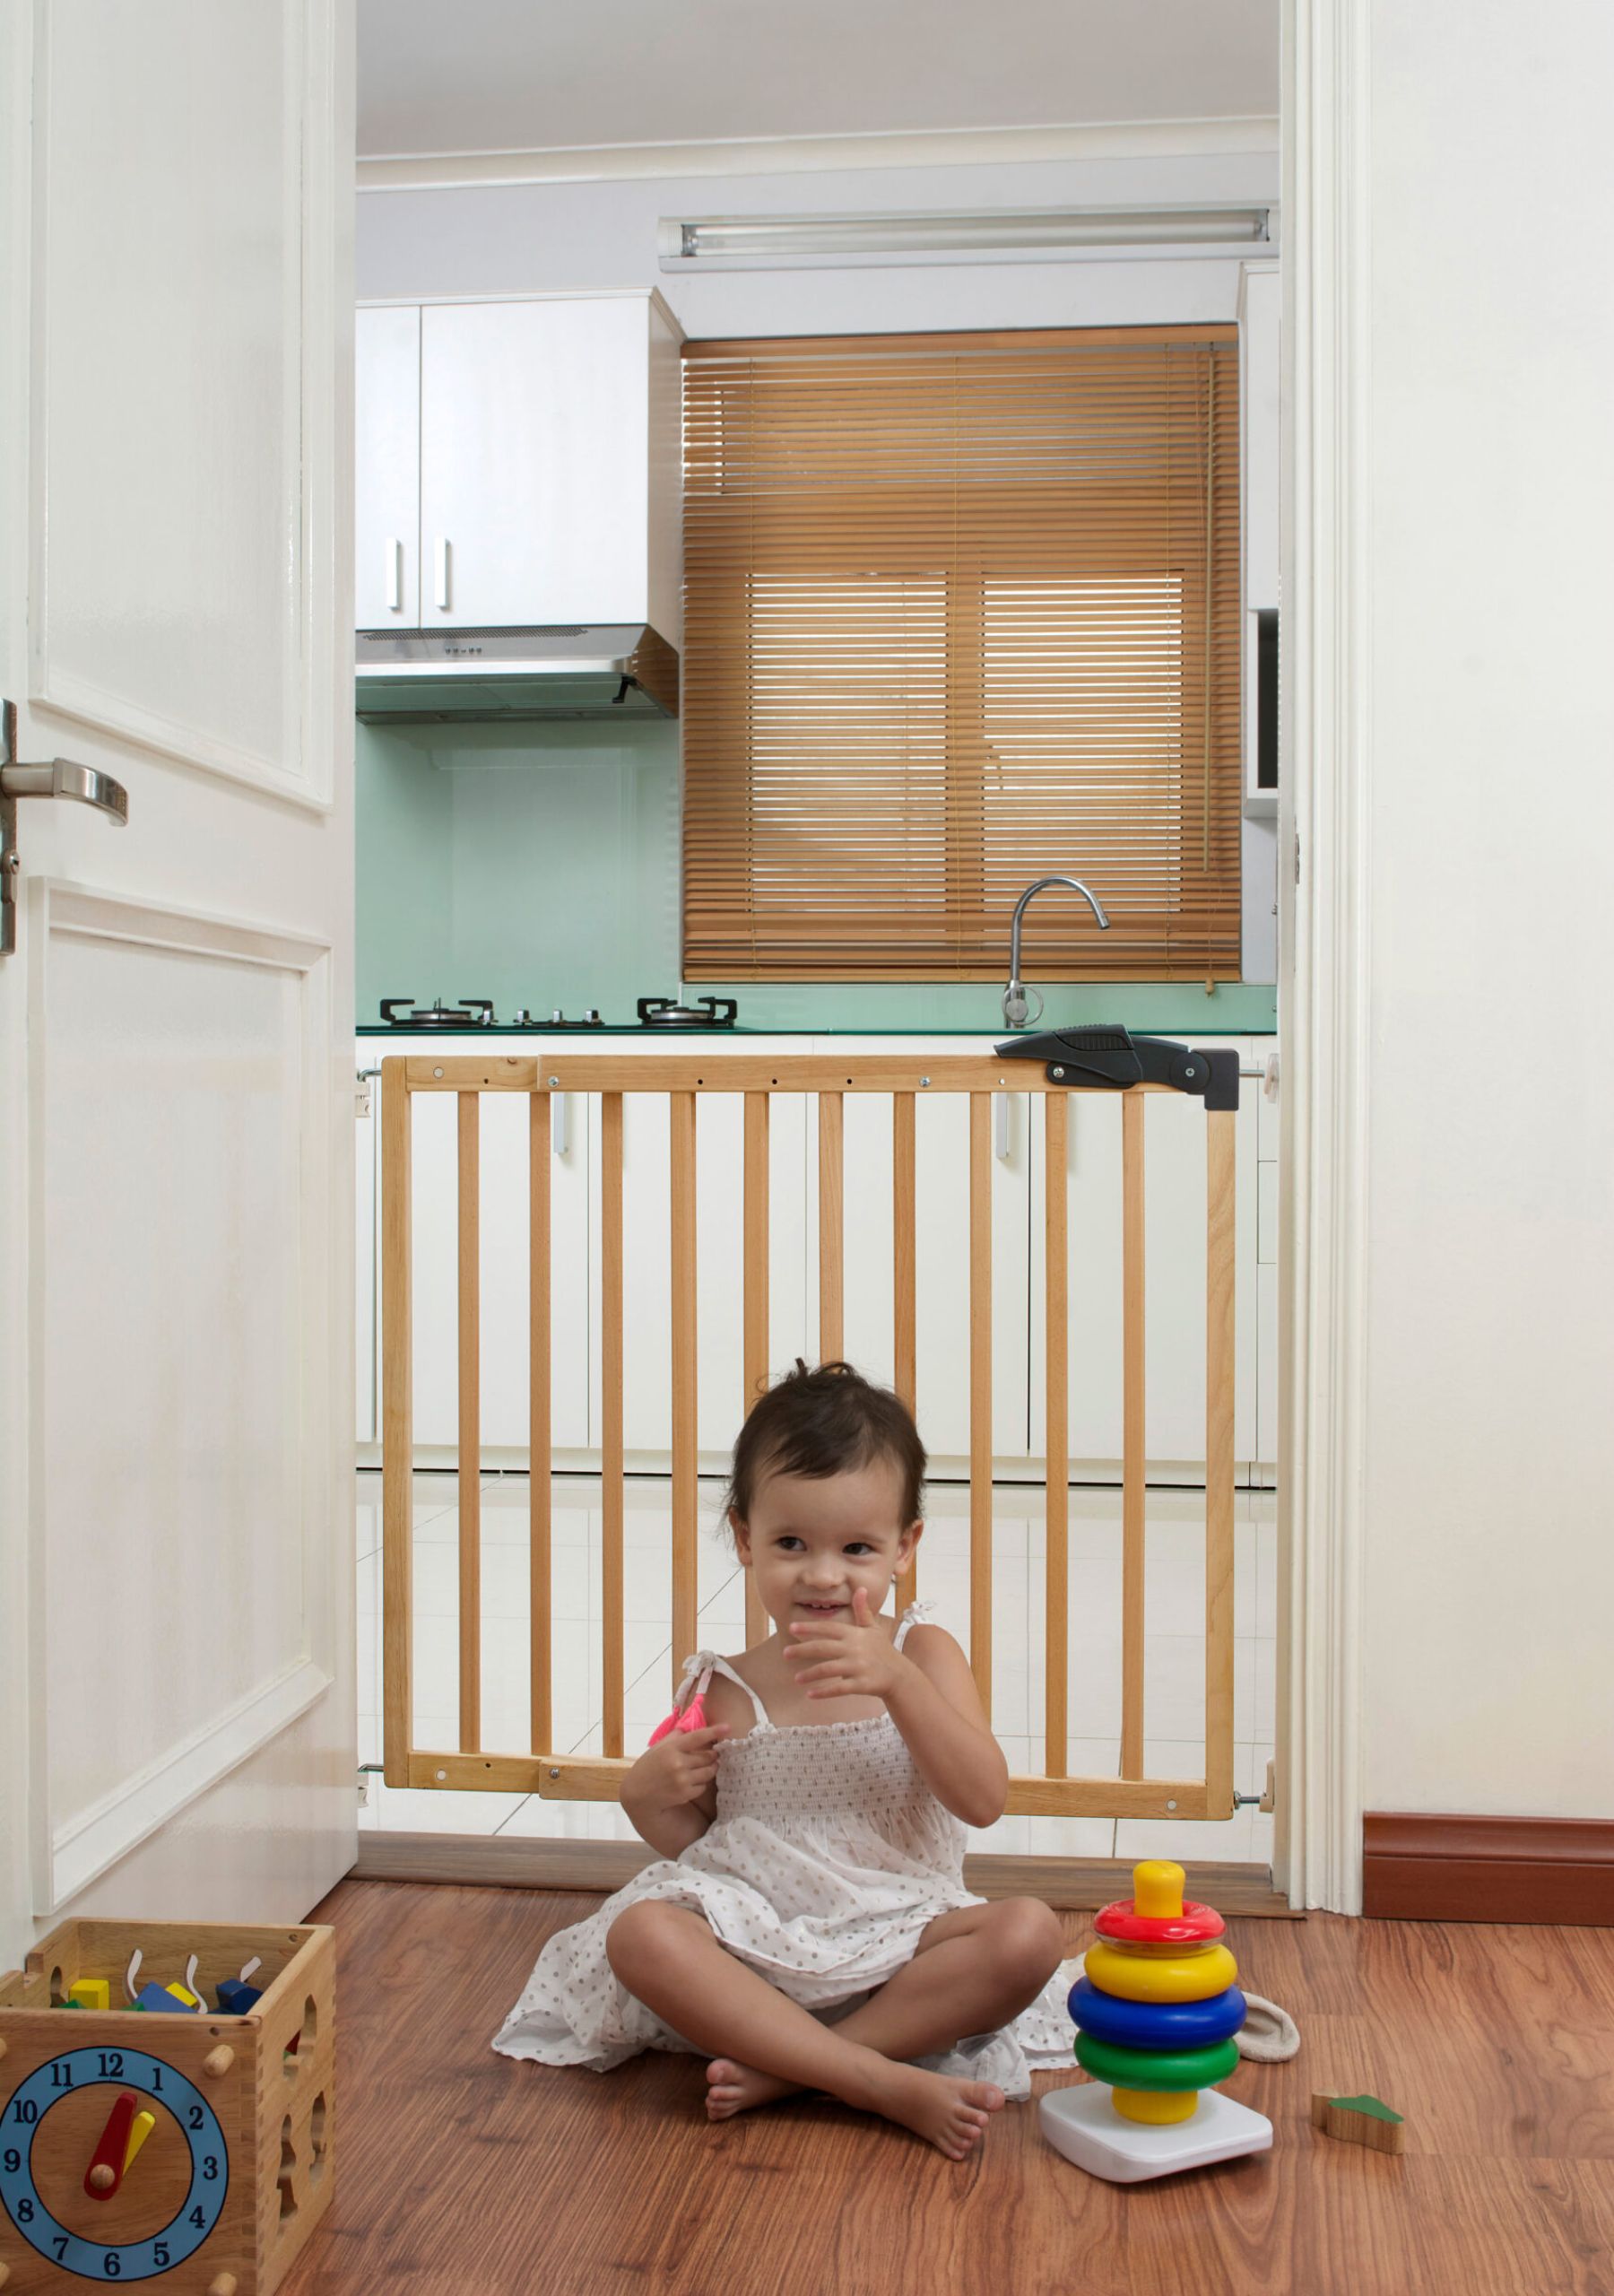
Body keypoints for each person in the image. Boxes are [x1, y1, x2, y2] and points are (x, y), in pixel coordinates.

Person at [492, 1361, 1077, 2159]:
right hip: (761, 1955)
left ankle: (799, 2071)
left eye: (858, 1548)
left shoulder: (924, 1651)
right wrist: (646, 1794)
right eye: (792, 1543)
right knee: (642, 1935)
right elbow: (704, 1851)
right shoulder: (724, 1688)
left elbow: (983, 1798)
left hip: (903, 1950)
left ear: (904, 1548)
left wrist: (901, 1685)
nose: (823, 1575)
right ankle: (871, 2078)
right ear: (744, 1538)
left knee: (1030, 1935)